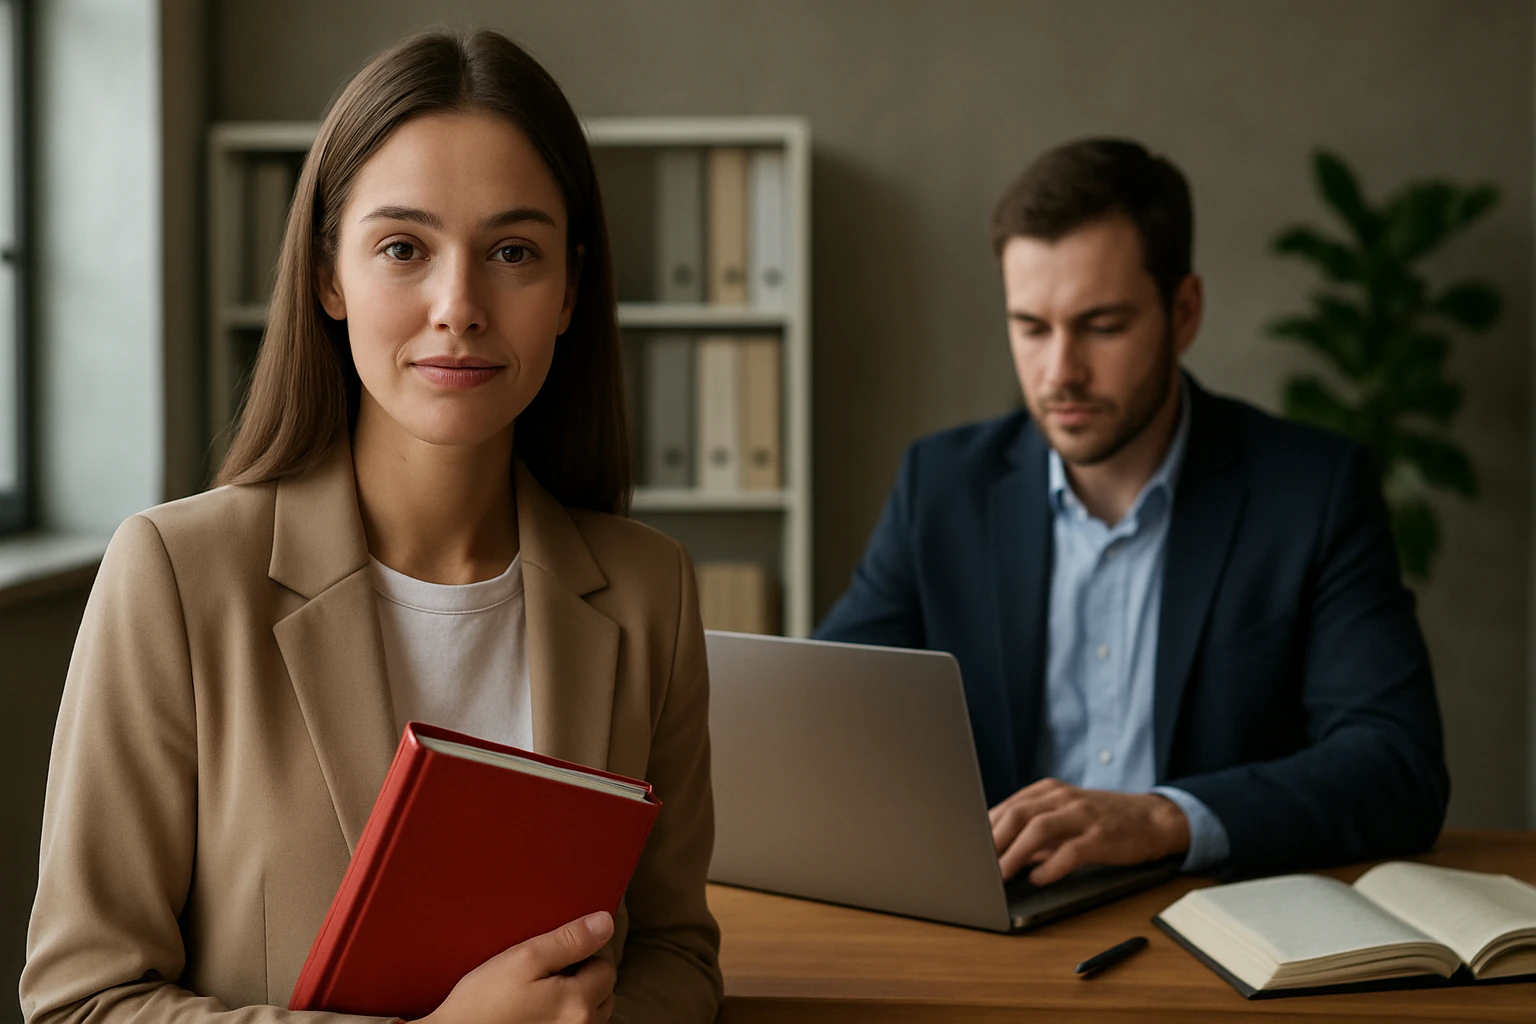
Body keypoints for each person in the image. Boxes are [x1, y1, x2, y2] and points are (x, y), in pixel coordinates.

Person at [21, 30, 719, 1024]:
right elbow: (82, 1002)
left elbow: (680, 957)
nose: (458, 306)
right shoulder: (174, 576)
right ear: (328, 278)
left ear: (569, 288)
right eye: (403, 247)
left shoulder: (653, 589)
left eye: (513, 252)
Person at [816, 138, 1449, 887]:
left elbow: (1395, 765)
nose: (1060, 373)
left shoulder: (1313, 490)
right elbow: (826, 715)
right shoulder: (943, 485)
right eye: (1031, 327)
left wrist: (1162, 818)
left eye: (1102, 326)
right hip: (1003, 926)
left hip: (1219, 929)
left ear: (1184, 312)